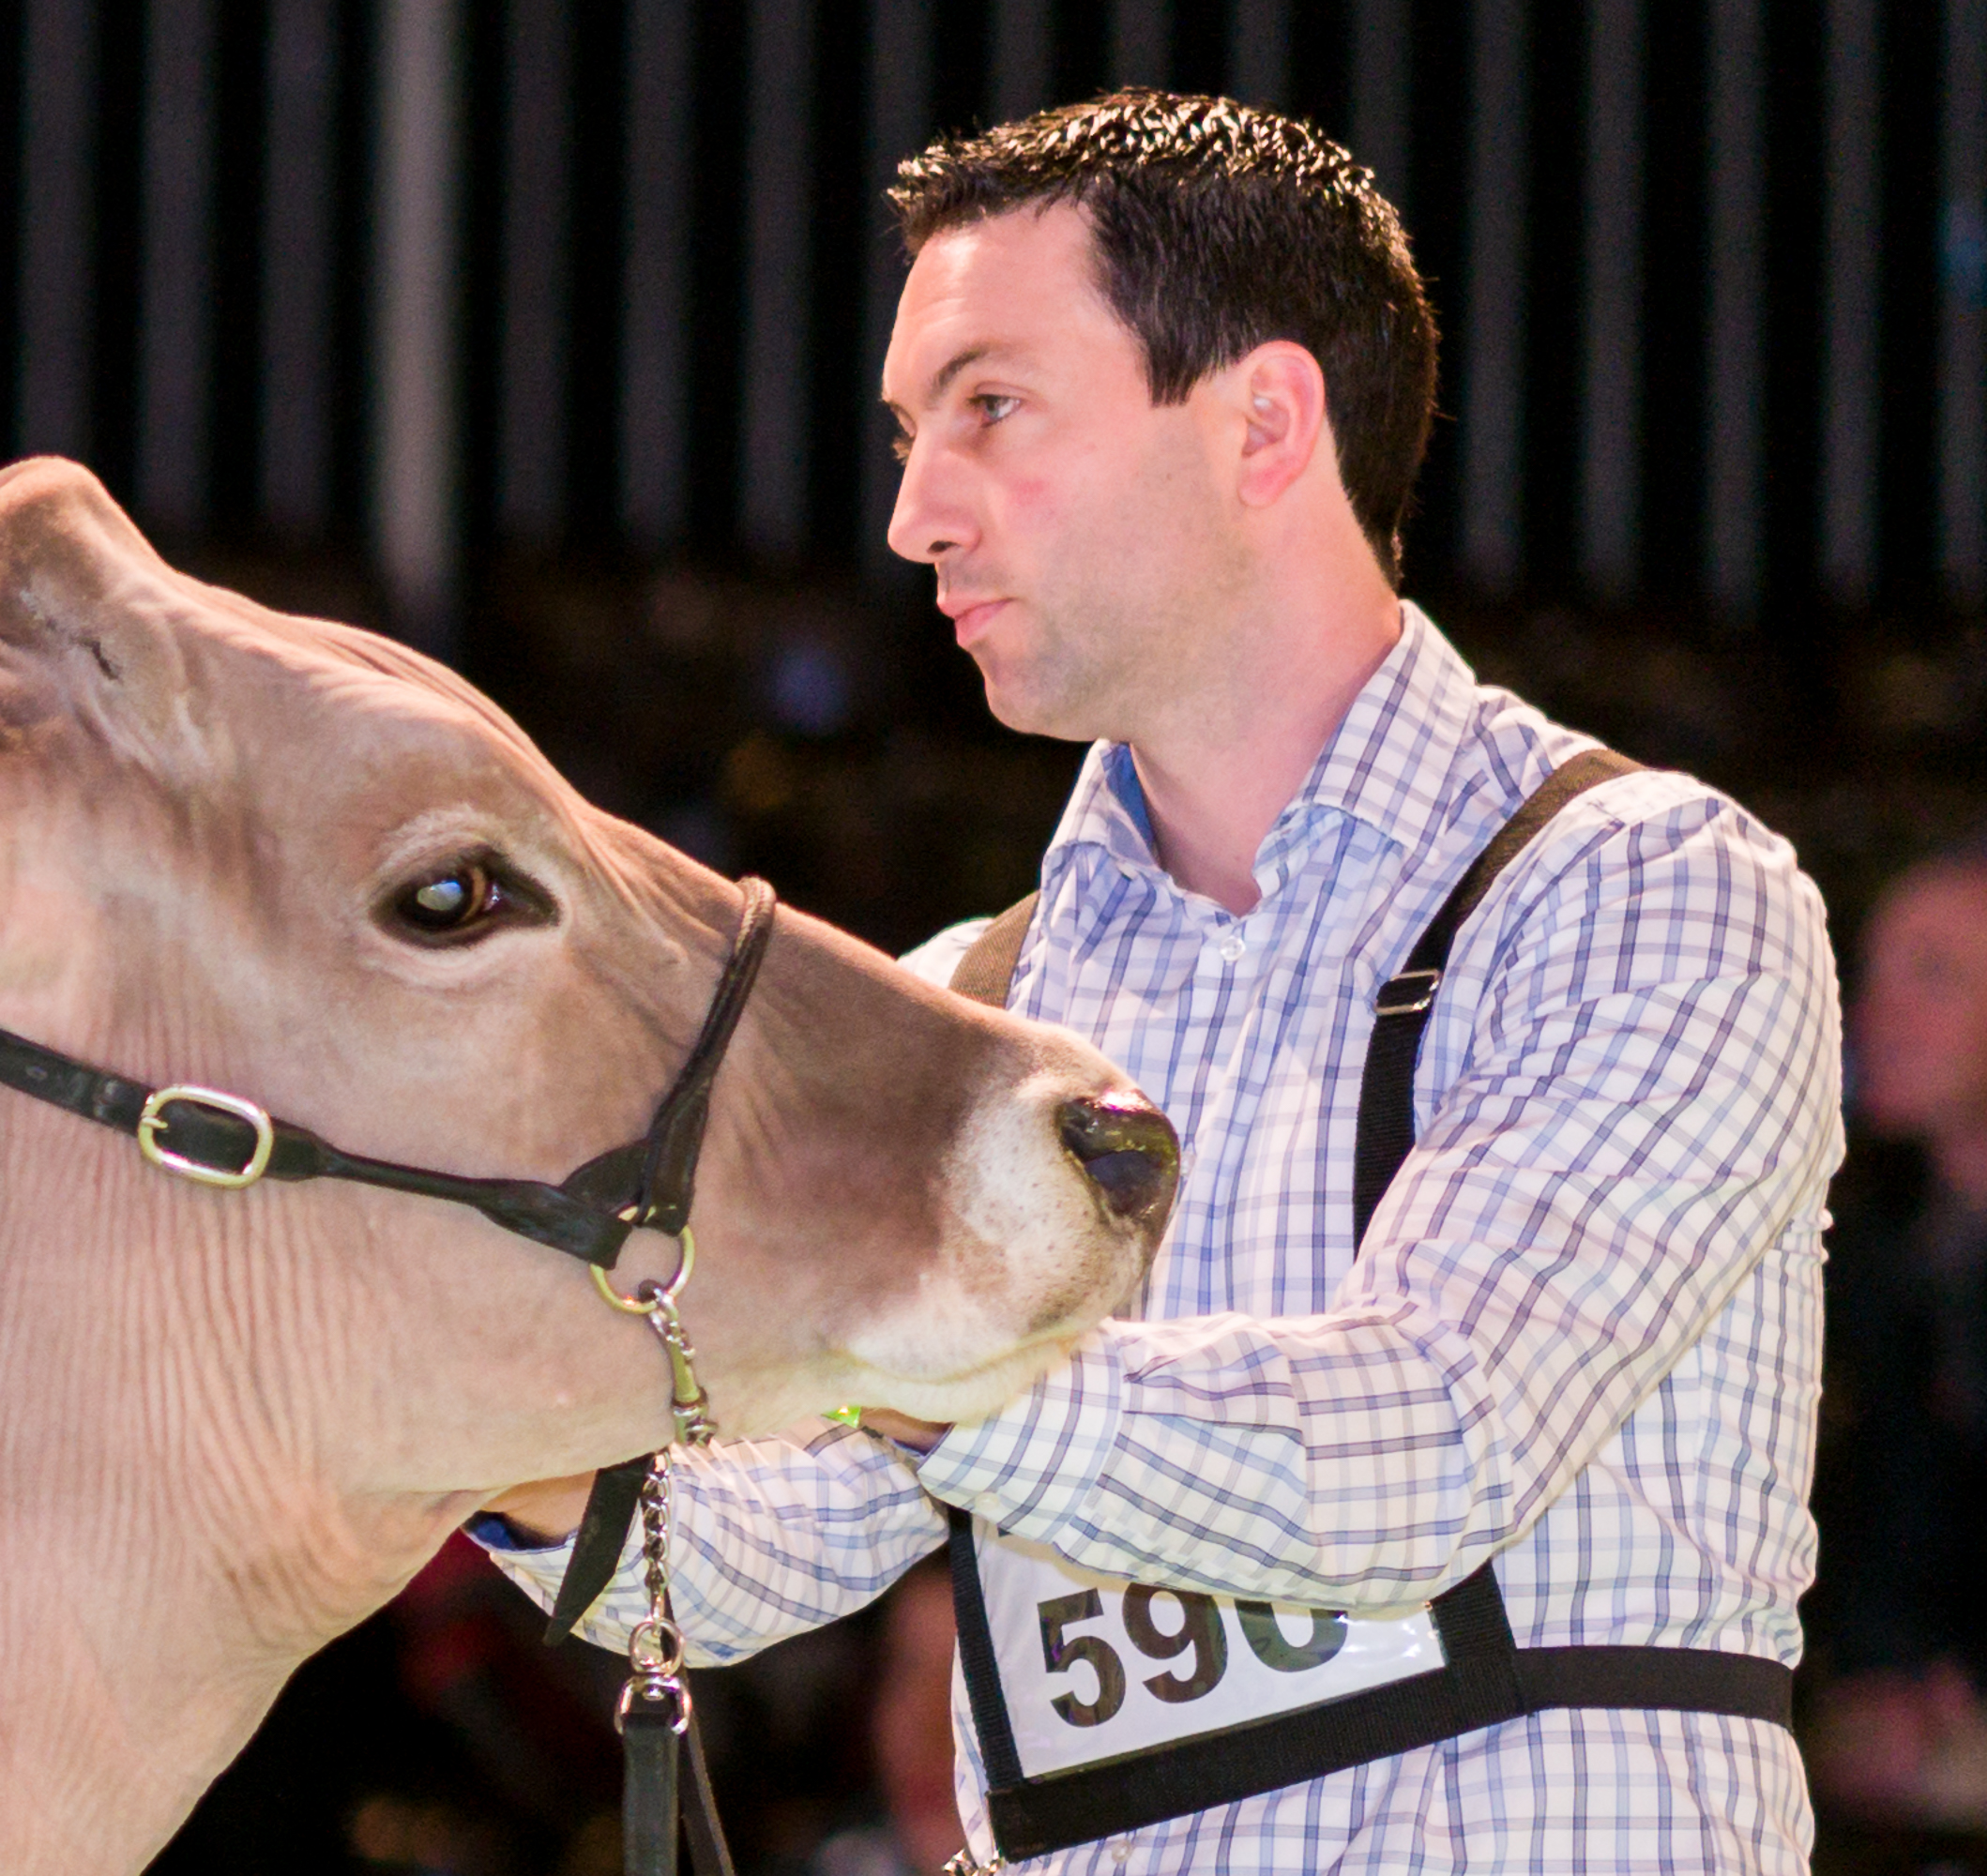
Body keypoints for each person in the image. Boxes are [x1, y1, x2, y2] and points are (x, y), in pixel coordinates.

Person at [474, 90, 1841, 1873]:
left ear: (1263, 424)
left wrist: (893, 1331)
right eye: (905, 434)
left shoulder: (1640, 889)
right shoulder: (971, 1000)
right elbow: (741, 1552)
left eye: (989, 407)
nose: (913, 516)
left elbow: (1425, 1447)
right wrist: (426, 1386)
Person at [1805, 850, 1987, 1822]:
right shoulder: (1880, 1247)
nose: (1878, 1015)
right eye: (1870, 975)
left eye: (1936, 976)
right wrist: (1893, 1670)